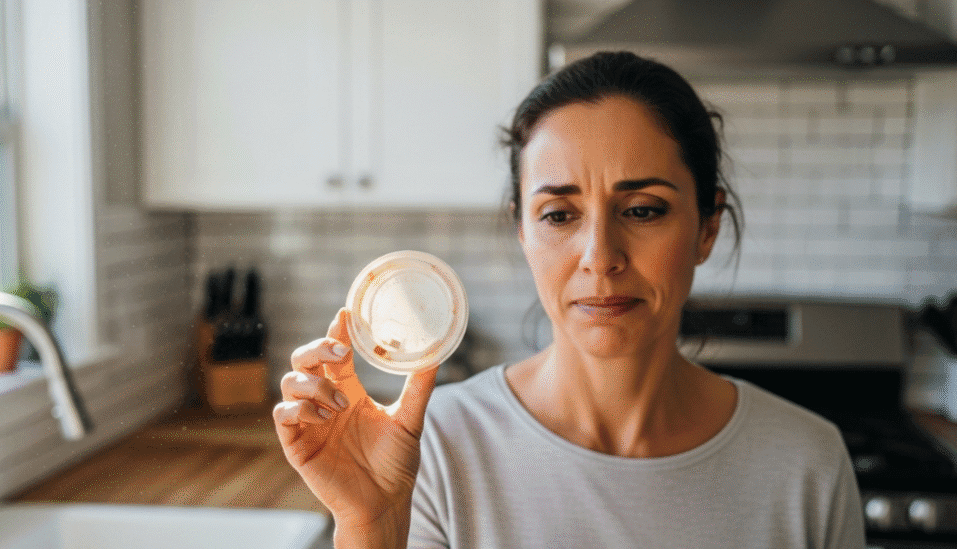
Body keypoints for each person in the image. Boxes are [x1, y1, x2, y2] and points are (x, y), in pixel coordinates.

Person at [274, 51, 865, 549]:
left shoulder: (807, 465)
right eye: (559, 214)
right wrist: (370, 525)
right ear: (522, 232)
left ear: (706, 227)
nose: (599, 255)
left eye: (643, 210)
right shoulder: (436, 447)